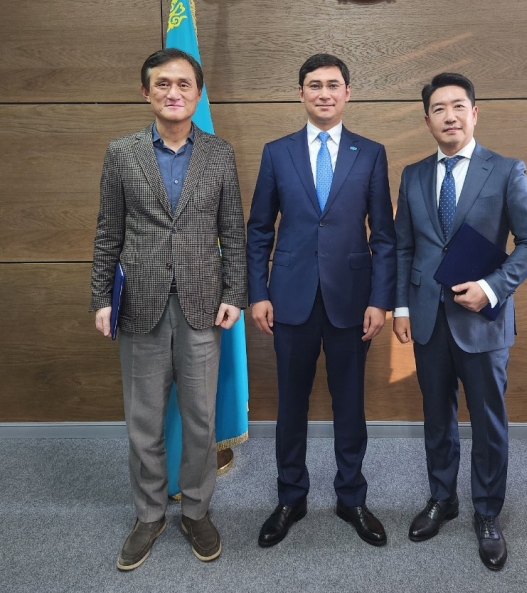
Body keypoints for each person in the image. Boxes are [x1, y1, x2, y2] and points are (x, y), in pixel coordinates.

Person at [90, 48, 246, 571]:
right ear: (146, 93)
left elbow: (234, 233)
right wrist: (99, 299)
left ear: (198, 94)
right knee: (144, 420)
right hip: (139, 305)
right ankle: (149, 514)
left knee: (200, 420)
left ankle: (196, 511)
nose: (173, 92)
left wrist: (234, 293)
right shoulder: (122, 152)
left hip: (204, 304)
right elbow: (108, 231)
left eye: (183, 84)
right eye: (162, 85)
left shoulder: (220, 154)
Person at [393, 72, 527, 571]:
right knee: (436, 417)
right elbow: (403, 248)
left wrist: (492, 287)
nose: (449, 116)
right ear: (427, 120)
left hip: (482, 320)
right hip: (427, 318)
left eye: (458, 106)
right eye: (439, 109)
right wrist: (399, 306)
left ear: (475, 112)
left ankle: (486, 512)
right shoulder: (413, 175)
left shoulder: (505, 171)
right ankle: (443, 498)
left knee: (488, 422)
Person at [246, 53, 396, 548]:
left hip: (353, 302)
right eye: (315, 85)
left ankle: (351, 496)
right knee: (290, 404)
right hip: (288, 300)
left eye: (334, 84)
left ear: (348, 93)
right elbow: (259, 230)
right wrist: (258, 293)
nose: (324, 93)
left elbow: (385, 236)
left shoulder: (370, 153)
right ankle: (291, 496)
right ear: (301, 93)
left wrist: (381, 299)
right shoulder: (277, 152)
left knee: (349, 404)